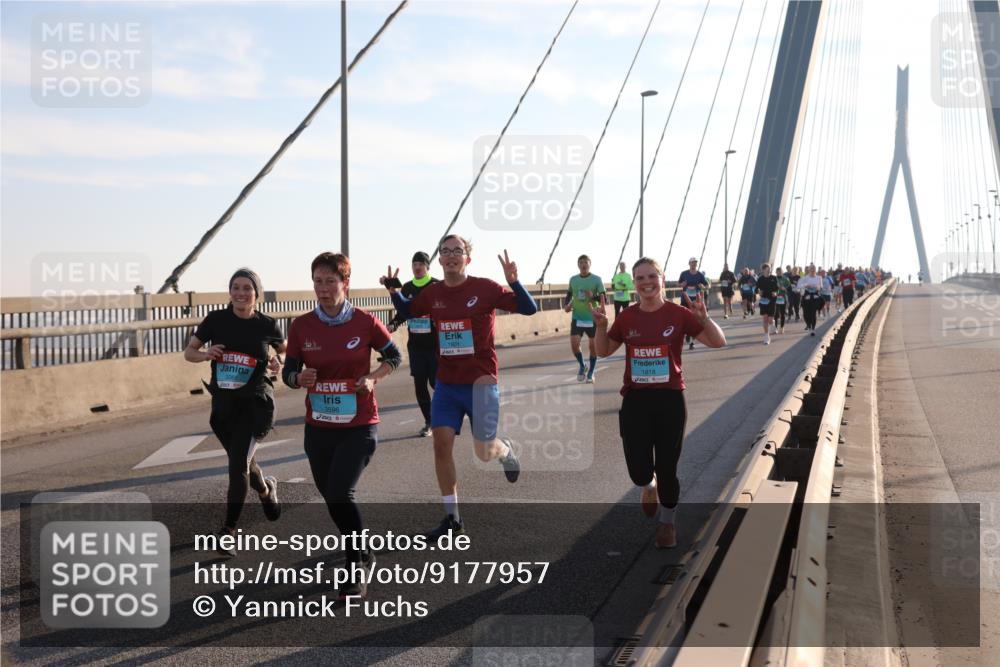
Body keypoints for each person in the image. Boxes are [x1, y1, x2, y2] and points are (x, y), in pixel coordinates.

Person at [387, 235, 537, 538]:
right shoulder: (433, 293)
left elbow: (529, 308)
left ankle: (504, 449)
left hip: (481, 382)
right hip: (447, 384)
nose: (451, 255)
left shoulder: (485, 288)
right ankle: (452, 519)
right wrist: (392, 290)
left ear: (468, 258)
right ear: (439, 260)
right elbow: (408, 311)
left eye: (458, 251)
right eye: (445, 251)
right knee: (441, 445)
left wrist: (515, 281)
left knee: (483, 451)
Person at [283, 252, 402, 599]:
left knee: (340, 493)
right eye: (317, 281)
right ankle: (363, 548)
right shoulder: (302, 325)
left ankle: (356, 567)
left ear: (345, 283)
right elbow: (290, 372)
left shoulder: (365, 322)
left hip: (359, 423)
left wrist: (373, 378)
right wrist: (297, 377)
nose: (323, 288)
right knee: (331, 497)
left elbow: (394, 356)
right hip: (318, 426)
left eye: (330, 281)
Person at [592, 257, 726, 549]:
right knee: (639, 470)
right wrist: (601, 325)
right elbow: (603, 351)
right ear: (634, 283)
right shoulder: (627, 317)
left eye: (652, 276)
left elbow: (718, 342)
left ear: (663, 279)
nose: (646, 282)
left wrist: (704, 319)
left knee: (668, 467)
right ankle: (647, 487)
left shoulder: (679, 314)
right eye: (639, 278)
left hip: (670, 400)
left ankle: (667, 522)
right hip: (636, 400)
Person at [185, 268, 284, 557]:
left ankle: (228, 531)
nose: (241, 293)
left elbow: (285, 350)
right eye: (236, 287)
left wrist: (277, 360)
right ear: (230, 292)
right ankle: (266, 490)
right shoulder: (216, 320)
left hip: (255, 404)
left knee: (237, 463)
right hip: (224, 407)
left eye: (247, 288)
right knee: (242, 462)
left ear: (257, 293)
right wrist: (205, 355)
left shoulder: (266, 325)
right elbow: (189, 352)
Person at [385, 252, 439, 437]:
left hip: (435, 346)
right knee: (419, 386)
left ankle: (444, 415)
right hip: (416, 346)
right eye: (414, 264)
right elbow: (403, 311)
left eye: (421, 264)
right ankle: (429, 422)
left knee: (436, 384)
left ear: (427, 267)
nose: (417, 267)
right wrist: (393, 324)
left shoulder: (437, 285)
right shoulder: (406, 287)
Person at [564, 255, 606, 382]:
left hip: (592, 317)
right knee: (574, 345)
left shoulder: (597, 279)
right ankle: (583, 365)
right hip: (577, 317)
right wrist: (566, 305)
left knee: (593, 347)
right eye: (581, 262)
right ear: (578, 265)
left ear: (590, 264)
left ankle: (591, 372)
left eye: (585, 262)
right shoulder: (573, 279)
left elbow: (605, 299)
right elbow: (569, 294)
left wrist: (593, 296)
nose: (583, 265)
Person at [678, 257, 709, 350]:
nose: (694, 264)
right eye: (692, 262)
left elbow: (708, 286)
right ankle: (687, 333)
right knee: (685, 320)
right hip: (685, 300)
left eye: (695, 263)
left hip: (696, 301)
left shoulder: (700, 275)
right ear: (689, 264)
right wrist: (681, 285)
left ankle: (692, 342)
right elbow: (678, 284)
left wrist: (703, 286)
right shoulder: (684, 274)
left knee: (695, 321)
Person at [755, 263, 779, 345]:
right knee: (765, 318)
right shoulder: (760, 279)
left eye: (769, 269)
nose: (768, 271)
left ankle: (773, 323)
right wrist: (758, 291)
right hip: (763, 301)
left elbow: (777, 289)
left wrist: (775, 293)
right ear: (763, 270)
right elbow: (755, 289)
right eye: (767, 270)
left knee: (770, 320)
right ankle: (766, 337)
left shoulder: (774, 278)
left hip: (772, 300)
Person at [797, 264, 824, 336]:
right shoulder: (804, 278)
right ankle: (809, 326)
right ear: (809, 270)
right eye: (811, 269)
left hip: (815, 297)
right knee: (806, 314)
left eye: (814, 269)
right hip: (806, 297)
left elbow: (821, 287)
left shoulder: (819, 277)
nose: (813, 270)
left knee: (813, 313)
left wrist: (817, 286)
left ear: (815, 270)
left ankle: (813, 328)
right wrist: (806, 285)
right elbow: (798, 286)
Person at [774, 266, 789, 334]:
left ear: (782, 272)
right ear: (776, 272)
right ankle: (775, 327)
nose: (779, 273)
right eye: (778, 272)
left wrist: (785, 289)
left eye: (780, 272)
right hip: (775, 298)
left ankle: (782, 327)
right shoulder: (774, 279)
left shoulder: (786, 279)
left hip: (783, 298)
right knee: (776, 313)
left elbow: (789, 289)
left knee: (782, 314)